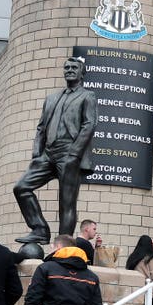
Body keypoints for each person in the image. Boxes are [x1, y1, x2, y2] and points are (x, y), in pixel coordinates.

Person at [12, 56, 98, 244]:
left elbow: (89, 125)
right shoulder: (52, 98)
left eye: (74, 67)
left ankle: (63, 244)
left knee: (66, 203)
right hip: (48, 153)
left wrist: (75, 154)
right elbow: (41, 127)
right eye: (66, 67)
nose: (69, 70)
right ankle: (40, 229)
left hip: (69, 152)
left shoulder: (87, 96)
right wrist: (37, 154)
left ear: (82, 72)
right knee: (21, 187)